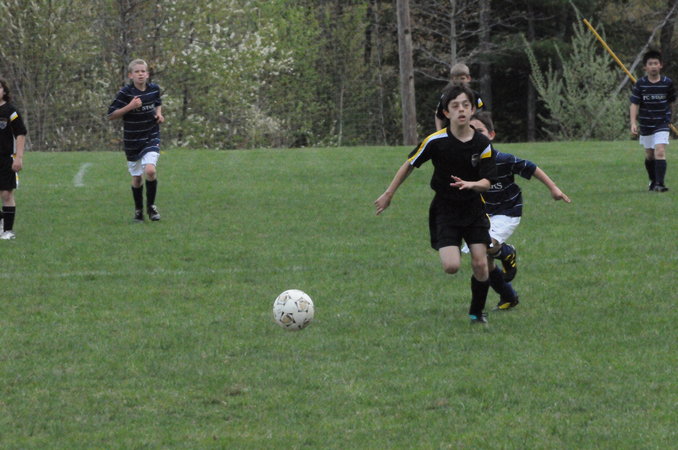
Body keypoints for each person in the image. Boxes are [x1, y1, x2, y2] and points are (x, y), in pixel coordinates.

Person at [375, 84, 497, 325]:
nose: (461, 110)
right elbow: (409, 164)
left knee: (480, 264)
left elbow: (487, 182)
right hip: (445, 209)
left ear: (472, 110)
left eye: (466, 105)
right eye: (455, 106)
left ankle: (476, 313)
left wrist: (471, 184)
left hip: (473, 208)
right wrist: (389, 194)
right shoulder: (435, 141)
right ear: (446, 112)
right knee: (451, 266)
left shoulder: (482, 143)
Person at [468, 111, 571, 310]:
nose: (475, 136)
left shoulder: (502, 159)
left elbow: (531, 167)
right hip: (482, 215)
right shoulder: (468, 163)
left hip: (507, 212)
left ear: (491, 135)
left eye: (479, 131)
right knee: (483, 262)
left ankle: (506, 252)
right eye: (471, 132)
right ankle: (508, 296)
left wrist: (554, 188)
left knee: (486, 246)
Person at [108, 59, 164, 221]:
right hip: (132, 140)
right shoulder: (125, 93)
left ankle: (151, 207)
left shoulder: (154, 89)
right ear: (130, 75)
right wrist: (130, 107)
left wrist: (159, 114)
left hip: (151, 135)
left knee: (150, 171)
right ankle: (139, 211)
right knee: (137, 178)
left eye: (143, 71)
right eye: (137, 72)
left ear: (147, 74)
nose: (140, 74)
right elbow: (111, 115)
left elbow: (157, 103)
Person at [630, 49, 675, 192]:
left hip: (662, 123)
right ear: (645, 67)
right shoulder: (640, 84)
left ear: (661, 65)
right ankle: (653, 181)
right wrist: (633, 122)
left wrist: (670, 117)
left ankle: (660, 184)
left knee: (659, 151)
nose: (653, 66)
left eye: (656, 63)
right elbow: (634, 104)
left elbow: (672, 102)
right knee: (650, 155)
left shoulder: (667, 83)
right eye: (650, 64)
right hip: (646, 123)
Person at [0, 78, 27, 240]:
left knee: (6, 194)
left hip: (6, 158)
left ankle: (8, 231)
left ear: (4, 91)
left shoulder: (11, 111)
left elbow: (20, 134)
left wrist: (19, 157)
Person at [434, 62, 485, 131]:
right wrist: (439, 132)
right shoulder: (445, 96)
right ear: (452, 79)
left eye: (462, 78)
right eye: (456, 79)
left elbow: (482, 113)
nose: (459, 82)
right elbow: (438, 115)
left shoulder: (475, 95)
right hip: (451, 131)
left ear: (468, 78)